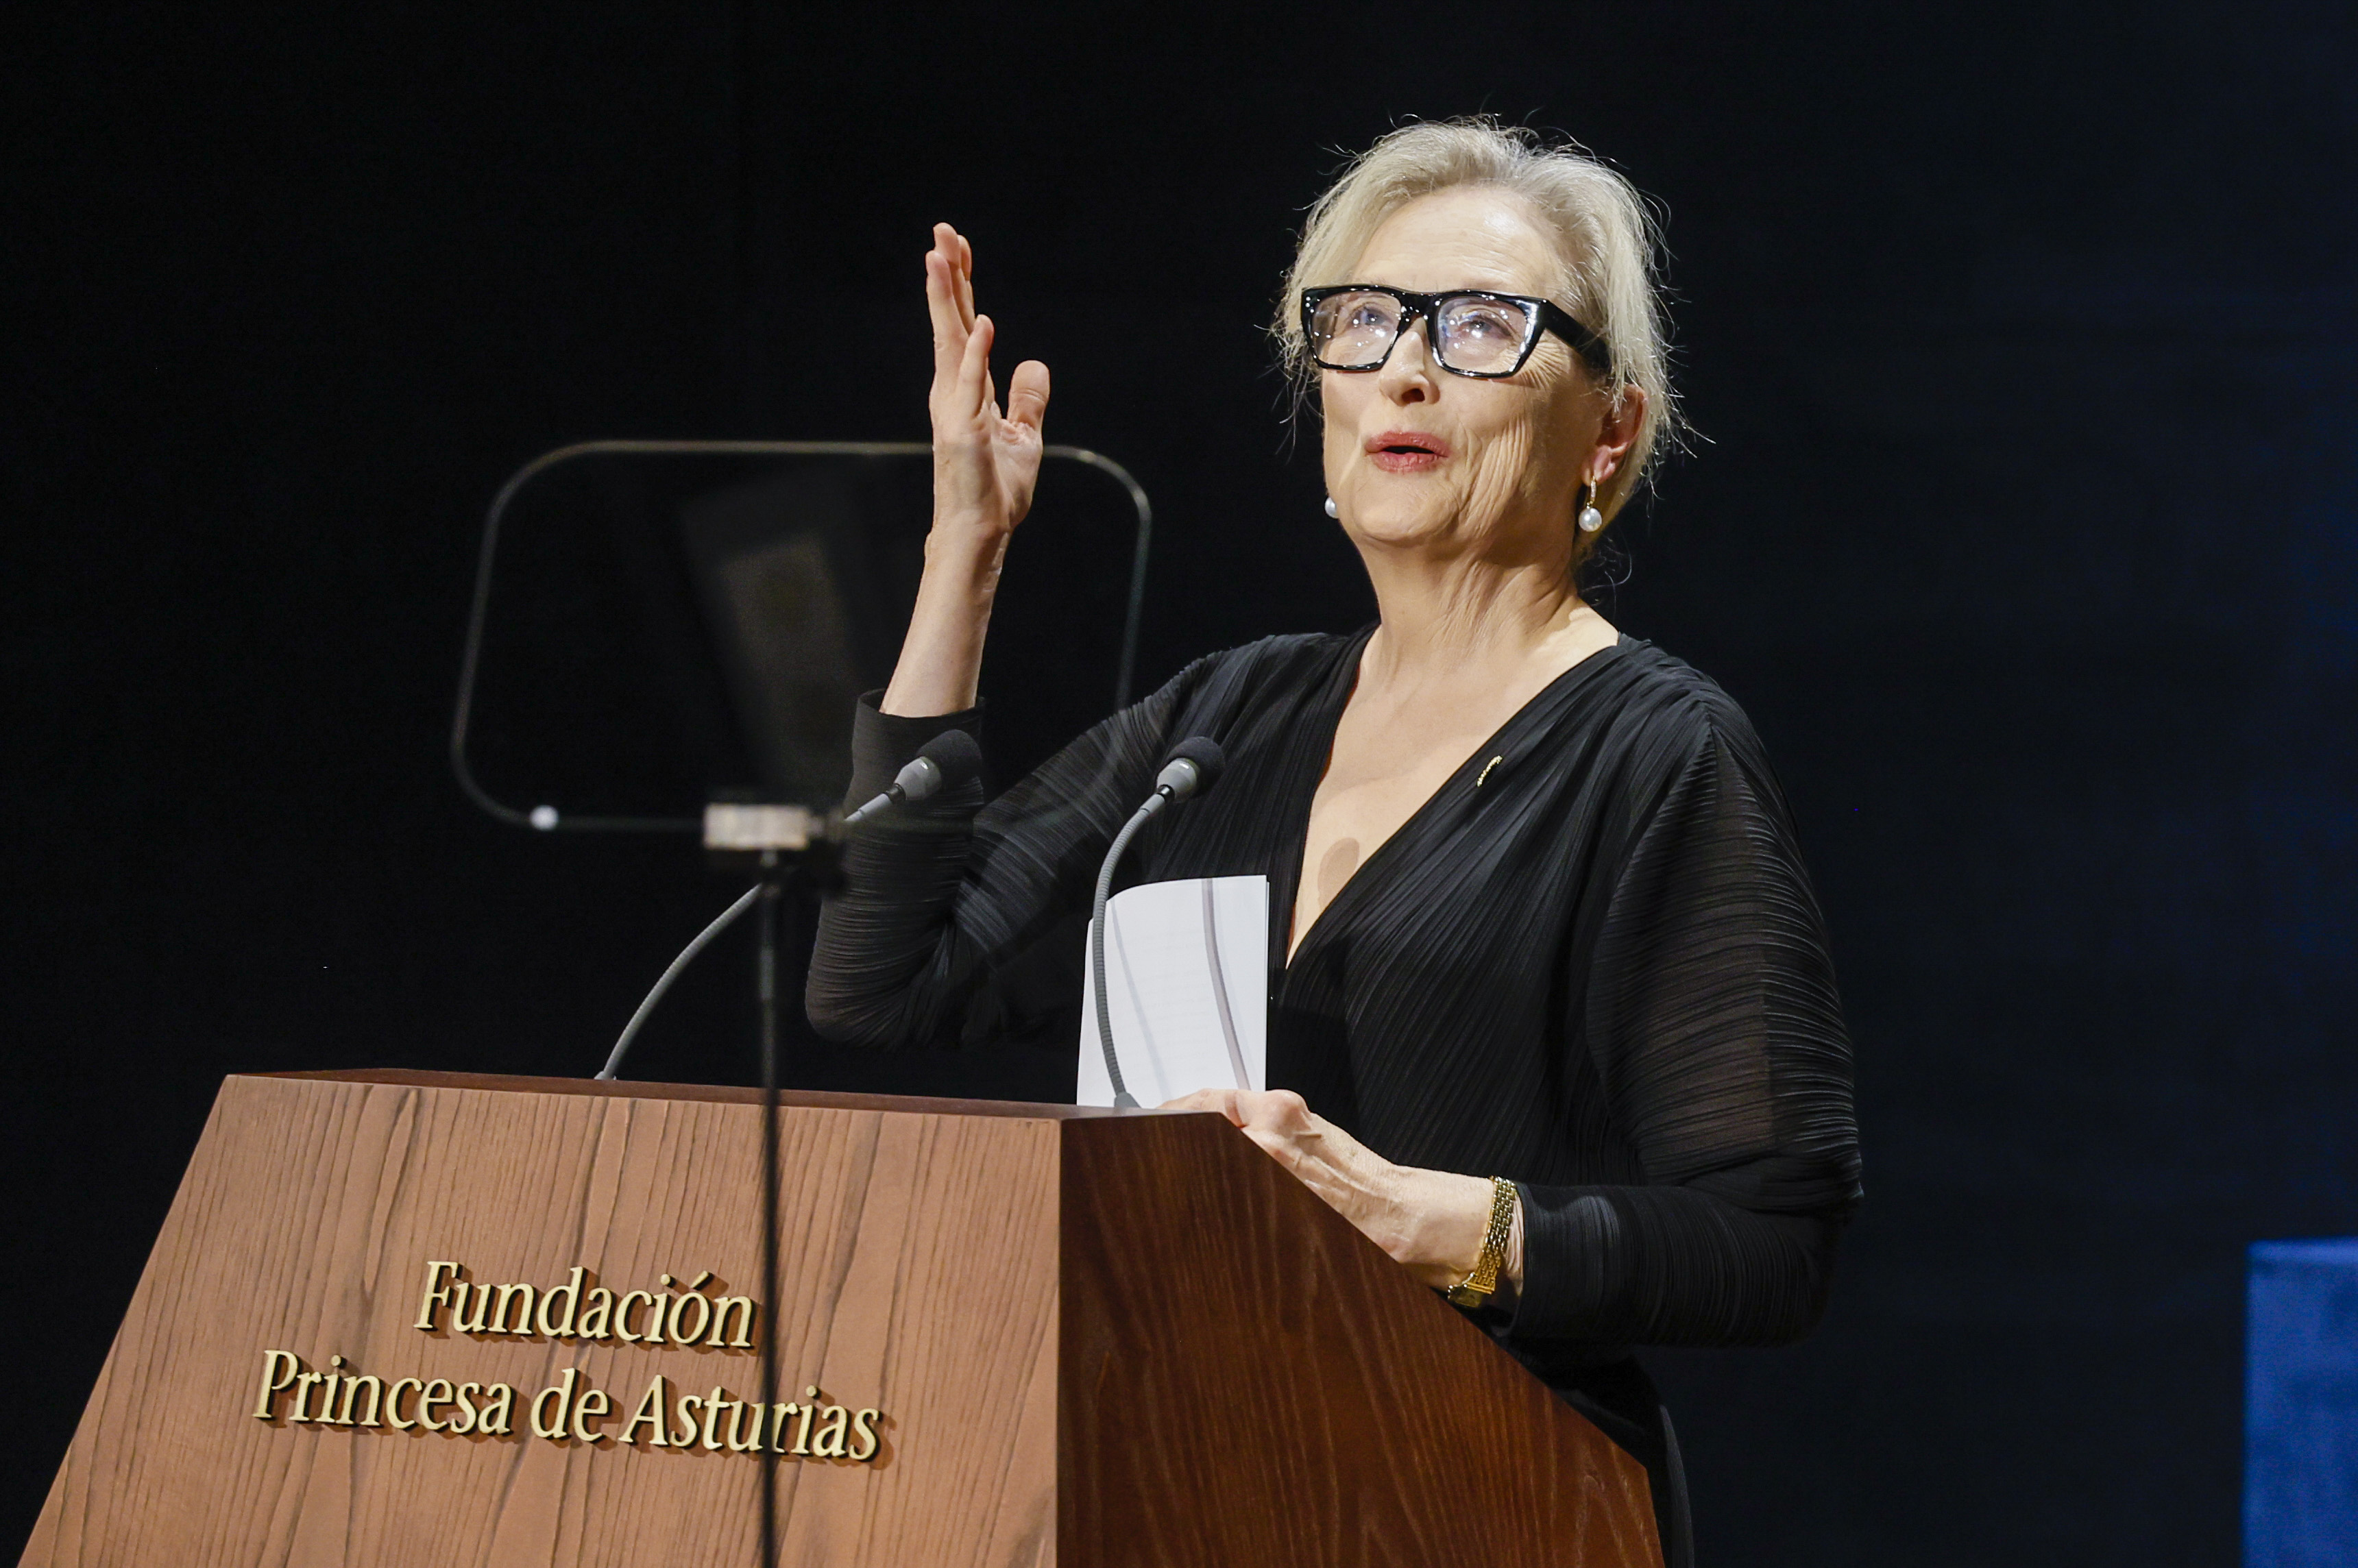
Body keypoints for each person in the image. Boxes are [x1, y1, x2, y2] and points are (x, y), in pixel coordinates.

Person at [805, 119, 1860, 1565]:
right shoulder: (1229, 715)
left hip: (1475, 1501)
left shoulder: (1655, 753)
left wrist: (1434, 1226)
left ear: (1609, 429)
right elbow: (880, 979)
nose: (1404, 370)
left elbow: (1771, 1243)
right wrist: (964, 554)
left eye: (1481, 326)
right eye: (1363, 321)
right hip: (1168, 1478)